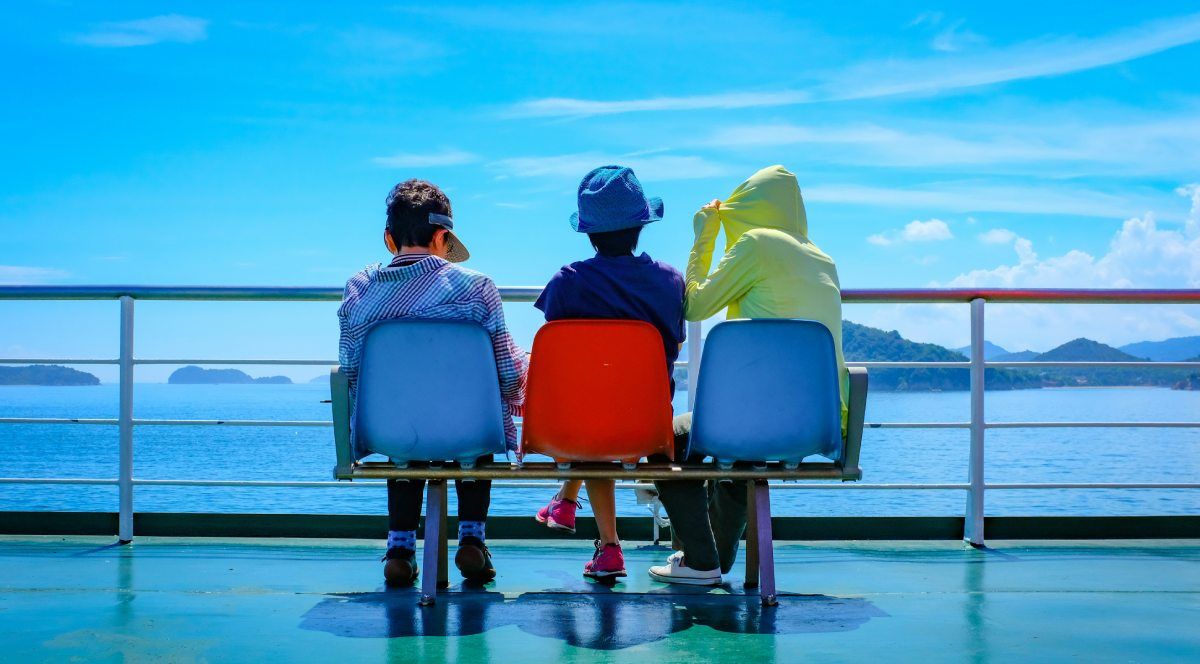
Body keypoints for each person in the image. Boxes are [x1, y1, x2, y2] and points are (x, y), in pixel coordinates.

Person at [648, 165, 849, 586]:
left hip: (754, 420)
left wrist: (704, 233)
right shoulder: (823, 259)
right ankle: (708, 561)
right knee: (740, 454)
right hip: (817, 426)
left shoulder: (756, 243)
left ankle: (701, 561)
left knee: (665, 442)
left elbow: (695, 306)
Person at [338, 179, 528, 586]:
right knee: (478, 437)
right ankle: (473, 541)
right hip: (469, 431)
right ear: (443, 237)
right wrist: (513, 399)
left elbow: (351, 369)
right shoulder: (477, 287)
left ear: (390, 239)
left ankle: (400, 549)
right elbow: (509, 374)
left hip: (393, 431)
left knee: (402, 443)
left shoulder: (360, 288)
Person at [532, 165, 686, 580]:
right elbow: (677, 343)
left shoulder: (566, 283)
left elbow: (561, 356)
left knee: (592, 409)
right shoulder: (670, 282)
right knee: (606, 407)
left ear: (588, 232)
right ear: (641, 226)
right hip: (649, 425)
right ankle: (577, 516)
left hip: (578, 427)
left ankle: (600, 536)